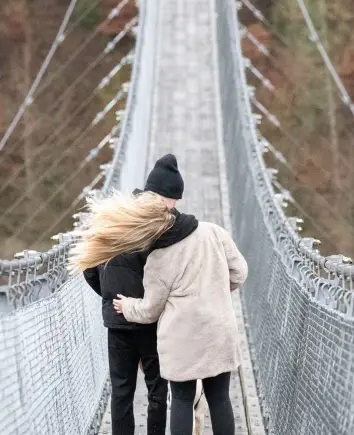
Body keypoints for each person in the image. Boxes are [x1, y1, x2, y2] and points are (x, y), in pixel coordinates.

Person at [73, 153, 248, 435]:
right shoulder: (209, 233)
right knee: (215, 398)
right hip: (214, 330)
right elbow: (240, 273)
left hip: (167, 332)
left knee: (165, 397)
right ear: (173, 199)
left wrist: (118, 303)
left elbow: (148, 305)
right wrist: (212, 290)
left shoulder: (144, 241)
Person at [80, 186, 170, 435]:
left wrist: (110, 297)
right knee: (157, 390)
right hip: (148, 321)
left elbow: (89, 271)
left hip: (118, 323)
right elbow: (161, 278)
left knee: (121, 391)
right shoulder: (152, 235)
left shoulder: (107, 233)